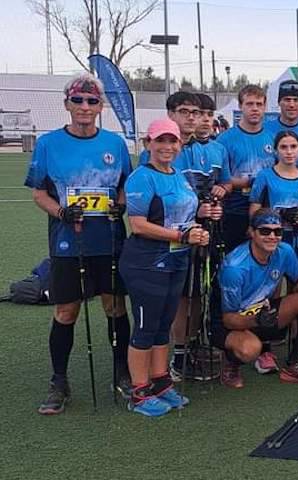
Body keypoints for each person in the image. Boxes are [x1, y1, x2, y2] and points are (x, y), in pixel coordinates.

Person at [28, 73, 132, 415]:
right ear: (67, 104)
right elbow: (39, 193)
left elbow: (125, 186)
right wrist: (60, 211)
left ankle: (123, 372)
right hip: (68, 243)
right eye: (78, 100)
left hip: (109, 239)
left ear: (101, 106)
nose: (85, 107)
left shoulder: (115, 144)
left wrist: (120, 204)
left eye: (92, 101)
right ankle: (59, 380)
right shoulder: (47, 143)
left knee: (114, 307)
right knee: (66, 311)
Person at [119, 118, 214, 417]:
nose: (167, 147)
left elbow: (184, 212)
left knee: (163, 326)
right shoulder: (141, 177)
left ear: (179, 144)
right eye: (160, 140)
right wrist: (182, 235)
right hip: (146, 262)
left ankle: (160, 383)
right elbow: (138, 224)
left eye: (172, 141)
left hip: (177, 260)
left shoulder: (179, 176)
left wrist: (202, 218)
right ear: (148, 144)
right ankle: (139, 391)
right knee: (146, 328)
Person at [215, 209, 298, 388]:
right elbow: (228, 319)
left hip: (263, 312)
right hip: (229, 322)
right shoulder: (235, 267)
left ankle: (294, 364)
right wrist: (256, 320)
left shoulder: (284, 251)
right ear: (252, 232)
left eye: (278, 231)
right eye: (265, 231)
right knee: (251, 349)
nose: (272, 236)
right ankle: (230, 362)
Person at [162, 91, 229, 382]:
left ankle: (189, 347)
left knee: (199, 290)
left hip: (206, 231)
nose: (197, 119)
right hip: (173, 234)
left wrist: (219, 195)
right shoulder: (168, 147)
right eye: (190, 113)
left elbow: (223, 181)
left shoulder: (215, 149)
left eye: (201, 113)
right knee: (179, 296)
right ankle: (176, 355)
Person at [247, 130, 298, 373]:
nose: (289, 152)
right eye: (284, 147)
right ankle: (266, 350)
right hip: (272, 243)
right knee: (271, 292)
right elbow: (254, 212)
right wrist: (278, 216)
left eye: (293, 147)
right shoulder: (266, 176)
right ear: (276, 150)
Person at [216, 85, 276, 251]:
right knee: (235, 258)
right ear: (241, 106)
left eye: (259, 104)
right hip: (236, 209)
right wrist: (250, 182)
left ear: (265, 107)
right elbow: (220, 179)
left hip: (267, 209)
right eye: (250, 104)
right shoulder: (225, 140)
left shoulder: (272, 138)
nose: (255, 109)